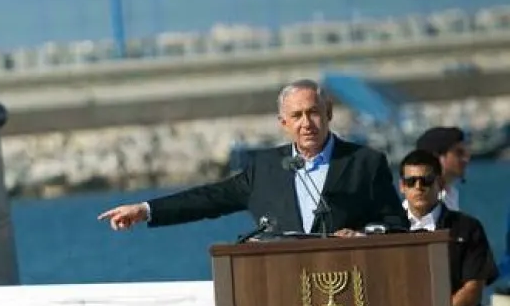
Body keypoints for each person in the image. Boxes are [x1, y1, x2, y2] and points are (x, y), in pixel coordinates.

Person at [97, 79, 407, 234]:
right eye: (296, 115)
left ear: (328, 113)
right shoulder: (265, 169)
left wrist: (364, 235)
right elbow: (209, 198)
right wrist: (145, 209)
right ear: (283, 124)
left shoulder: (365, 163)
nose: (306, 123)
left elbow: (396, 224)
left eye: (313, 113)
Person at [398, 148, 497, 306]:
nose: (419, 187)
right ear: (401, 186)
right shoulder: (388, 233)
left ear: (440, 183)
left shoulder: (467, 228)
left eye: (427, 180)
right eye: (411, 181)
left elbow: (473, 289)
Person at [414, 126, 469, 210]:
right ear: (436, 158)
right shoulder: (423, 203)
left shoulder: (450, 195)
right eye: (459, 153)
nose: (466, 159)